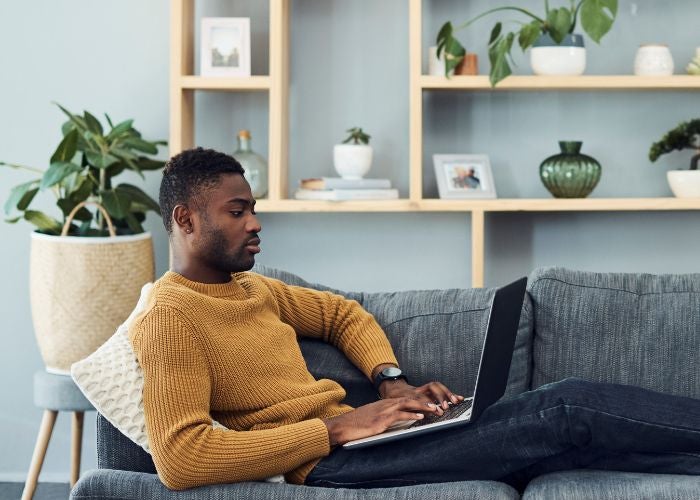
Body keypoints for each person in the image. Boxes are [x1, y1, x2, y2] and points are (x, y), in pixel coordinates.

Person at [130, 147, 700, 491]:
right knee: (565, 406)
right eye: (237, 211)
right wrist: (334, 429)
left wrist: (390, 382)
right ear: (184, 219)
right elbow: (183, 458)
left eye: (253, 209)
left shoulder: (253, 288)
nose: (255, 223)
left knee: (574, 445)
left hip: (359, 443)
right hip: (328, 466)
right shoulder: (170, 316)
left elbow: (340, 314)